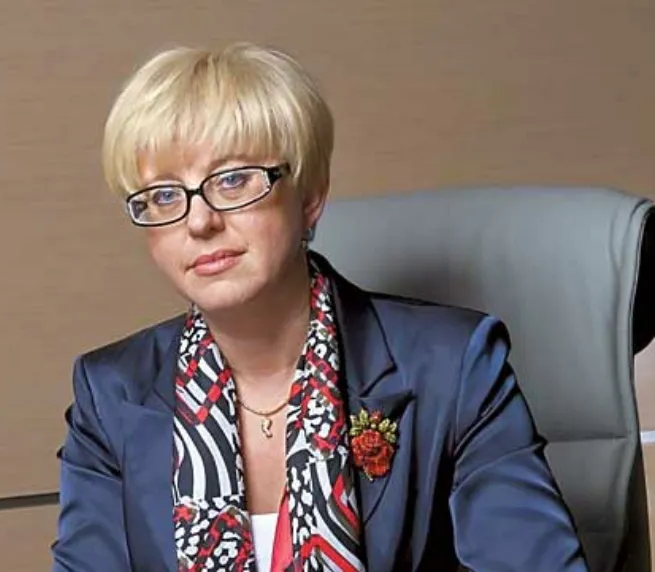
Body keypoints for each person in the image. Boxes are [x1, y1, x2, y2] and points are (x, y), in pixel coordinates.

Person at [51, 42, 588, 571]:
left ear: (310, 196)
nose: (199, 222)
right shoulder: (110, 395)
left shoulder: (455, 366)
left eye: (233, 180)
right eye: (165, 194)